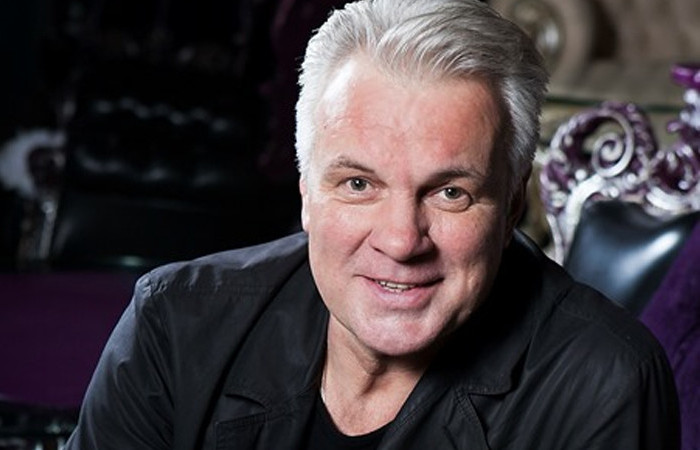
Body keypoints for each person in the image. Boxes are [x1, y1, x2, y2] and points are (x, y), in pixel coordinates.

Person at [66, 0, 680, 448]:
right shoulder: (176, 323)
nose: (400, 240)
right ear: (307, 192)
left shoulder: (603, 383)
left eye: (450, 193)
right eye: (359, 184)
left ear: (512, 204)